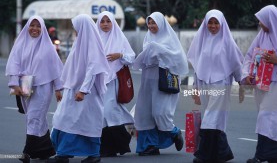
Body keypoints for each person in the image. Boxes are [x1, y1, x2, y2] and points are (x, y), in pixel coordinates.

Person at [242, 5, 277, 163]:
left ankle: (261, 156)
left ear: (271, 20)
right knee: (273, 118)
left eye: (262, 21)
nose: (260, 24)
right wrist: (247, 74)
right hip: (261, 82)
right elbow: (249, 55)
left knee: (266, 115)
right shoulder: (262, 35)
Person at [50, 14, 110, 163]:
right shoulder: (80, 42)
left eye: (76, 27)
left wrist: (83, 90)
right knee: (64, 119)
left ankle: (93, 154)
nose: (75, 30)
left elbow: (93, 68)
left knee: (85, 122)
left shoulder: (92, 44)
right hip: (74, 89)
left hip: (87, 93)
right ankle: (63, 153)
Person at [187, 9, 244, 163]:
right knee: (214, 118)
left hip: (221, 83)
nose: (212, 26)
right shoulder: (201, 40)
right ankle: (221, 154)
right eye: (210, 23)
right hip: (204, 82)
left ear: (221, 24)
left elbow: (236, 64)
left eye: (216, 23)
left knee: (210, 118)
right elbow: (197, 65)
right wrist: (195, 88)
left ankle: (203, 155)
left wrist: (241, 82)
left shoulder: (227, 41)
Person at [5, 15, 63, 162]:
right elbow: (14, 64)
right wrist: (14, 84)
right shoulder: (20, 44)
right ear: (27, 27)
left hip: (43, 87)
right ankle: (45, 150)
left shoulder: (48, 47)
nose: (35, 29)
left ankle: (27, 152)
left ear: (43, 28)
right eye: (32, 25)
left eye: (38, 26)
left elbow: (56, 68)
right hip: (24, 84)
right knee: (36, 118)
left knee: (34, 117)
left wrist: (58, 89)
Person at [132, 11, 189, 156]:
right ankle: (149, 146)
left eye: (154, 22)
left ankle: (174, 132)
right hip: (147, 80)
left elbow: (178, 58)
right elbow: (145, 58)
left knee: (160, 113)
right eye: (149, 23)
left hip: (163, 81)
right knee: (144, 113)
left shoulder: (170, 39)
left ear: (161, 23)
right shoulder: (147, 38)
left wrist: (159, 50)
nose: (151, 26)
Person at [95, 11, 135, 157]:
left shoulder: (120, 38)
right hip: (97, 81)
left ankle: (121, 142)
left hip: (113, 81)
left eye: (108, 21)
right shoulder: (95, 38)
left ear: (113, 22)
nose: (105, 24)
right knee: (102, 115)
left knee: (109, 111)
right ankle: (108, 148)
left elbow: (132, 57)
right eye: (102, 21)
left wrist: (120, 55)